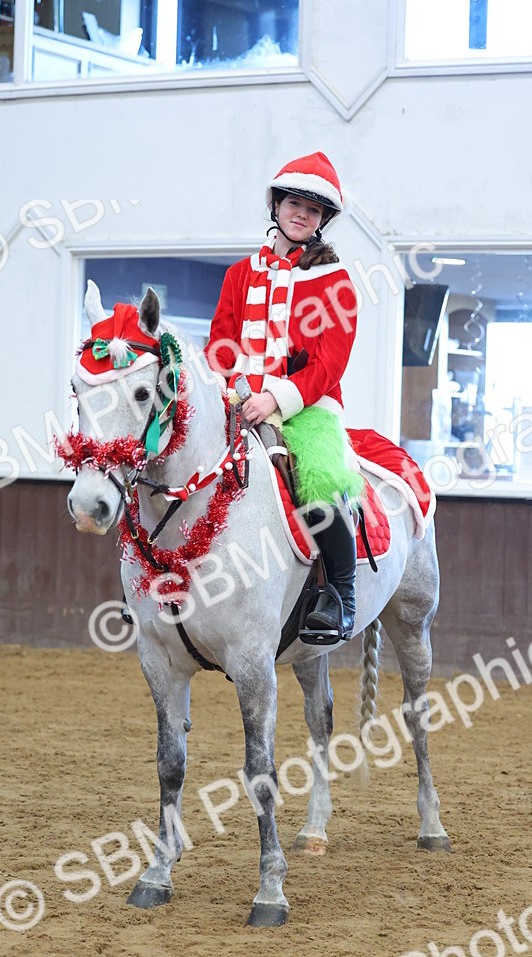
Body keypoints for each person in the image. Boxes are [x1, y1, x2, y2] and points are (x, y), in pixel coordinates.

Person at [204, 151, 363, 643]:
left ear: (322, 221)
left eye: (313, 210)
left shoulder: (334, 281)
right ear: (276, 206)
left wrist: (275, 400)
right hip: (236, 399)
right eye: (294, 203)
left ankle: (340, 594)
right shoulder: (238, 274)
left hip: (307, 407)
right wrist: (232, 391)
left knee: (318, 476)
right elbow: (220, 345)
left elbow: (329, 363)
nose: (301, 214)